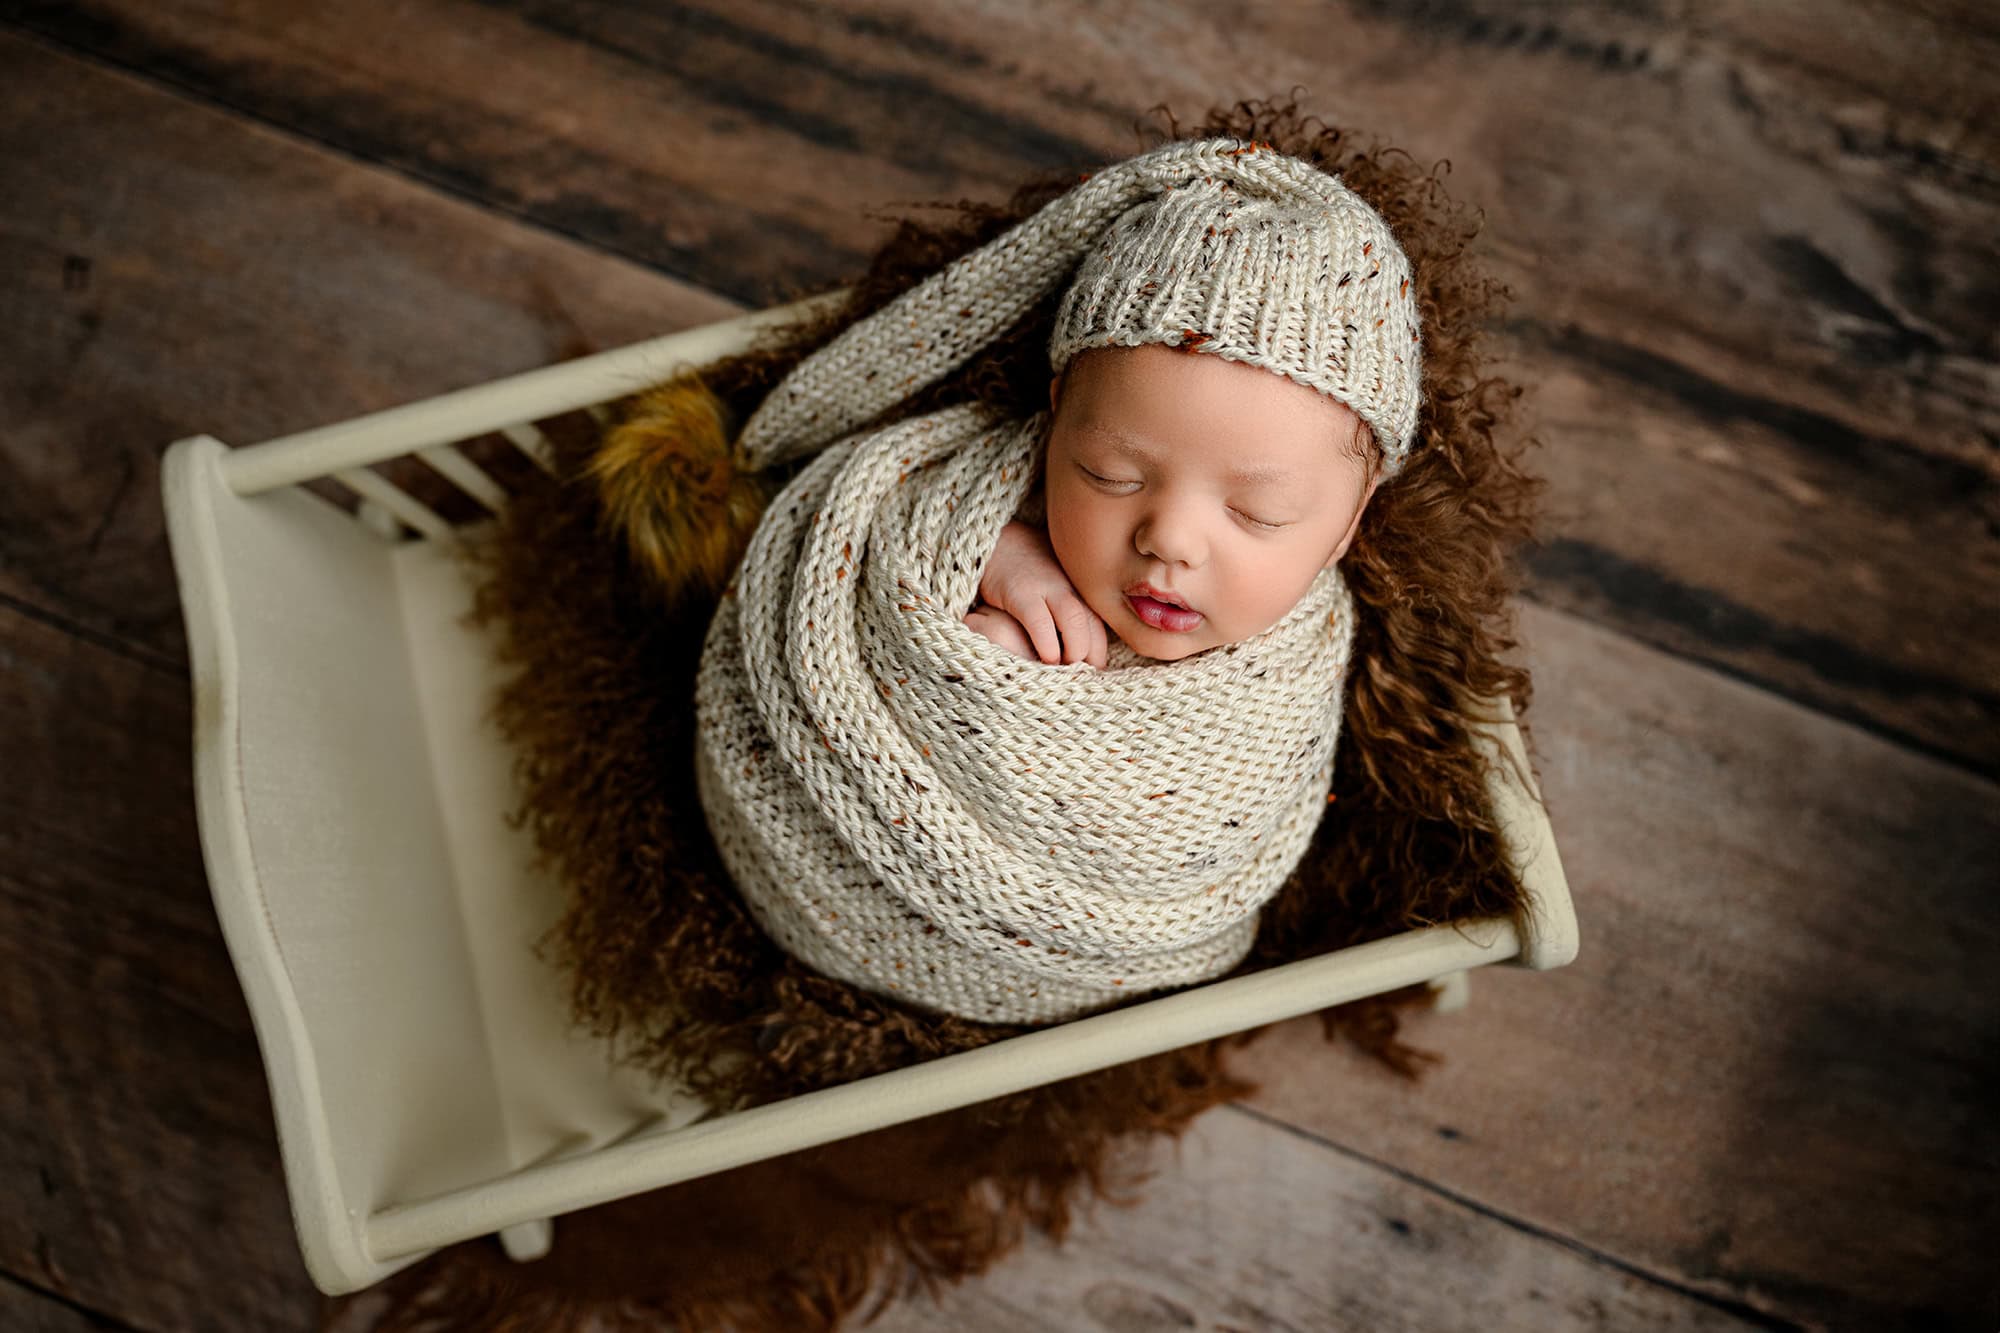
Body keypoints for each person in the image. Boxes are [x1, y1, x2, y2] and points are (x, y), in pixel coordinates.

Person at [965, 340, 1381, 668]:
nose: (1170, 541)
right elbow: (911, 518)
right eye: (1111, 476)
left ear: (1350, 521)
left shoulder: (1307, 673)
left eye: (1258, 513)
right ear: (1057, 421)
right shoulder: (978, 498)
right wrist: (979, 549)